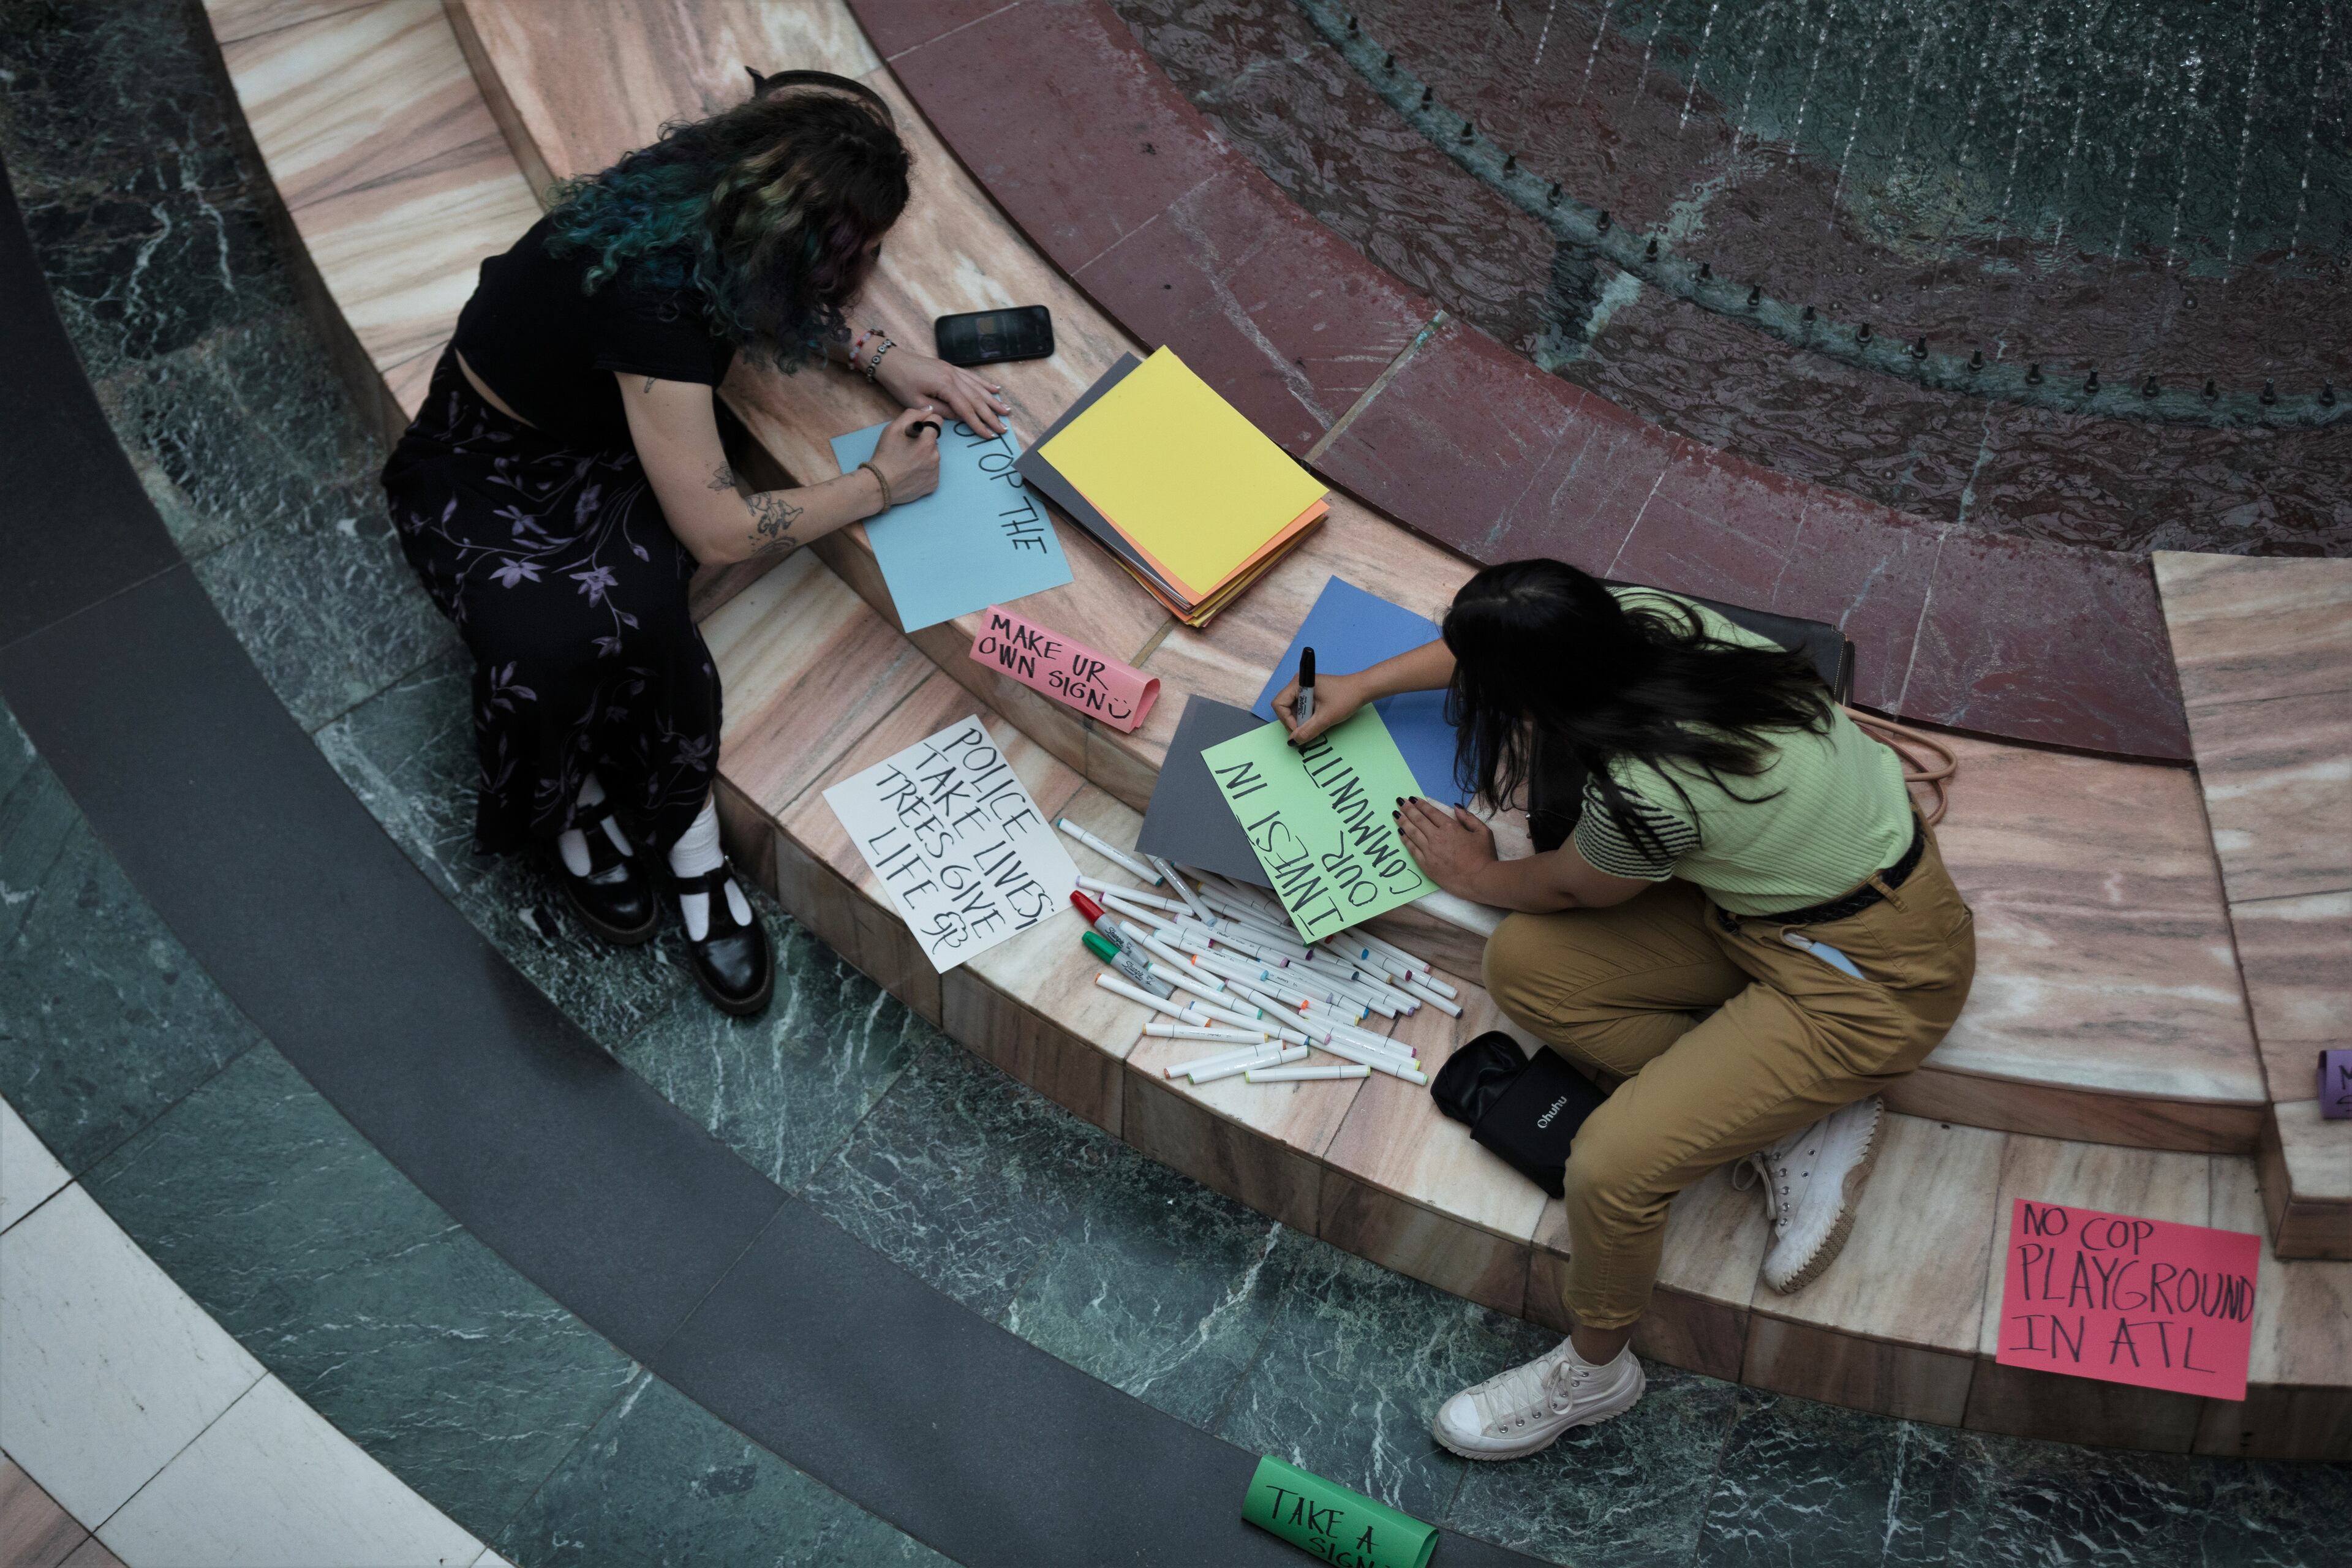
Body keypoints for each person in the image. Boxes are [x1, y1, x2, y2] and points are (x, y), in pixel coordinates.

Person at [1274, 559, 1974, 1458]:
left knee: (1609, 1165)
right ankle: (1778, 1113)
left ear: (1528, 700)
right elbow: (1504, 650)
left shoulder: (1642, 790)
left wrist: (1475, 873)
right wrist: (1362, 685)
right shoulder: (1647, 616)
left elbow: (1574, 887)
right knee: (1525, 967)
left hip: (1872, 982)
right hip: (1776, 911)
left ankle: (1596, 1374)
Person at [381, 72, 1006, 1016]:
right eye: (856, 254)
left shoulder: (716, 180)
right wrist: (879, 486)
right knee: (552, 650)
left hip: (604, 430)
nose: (867, 269)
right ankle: (580, 803)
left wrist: (887, 356)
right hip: (493, 463)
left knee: (650, 626)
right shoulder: (658, 305)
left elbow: (763, 288)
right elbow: (718, 531)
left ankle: (687, 836)